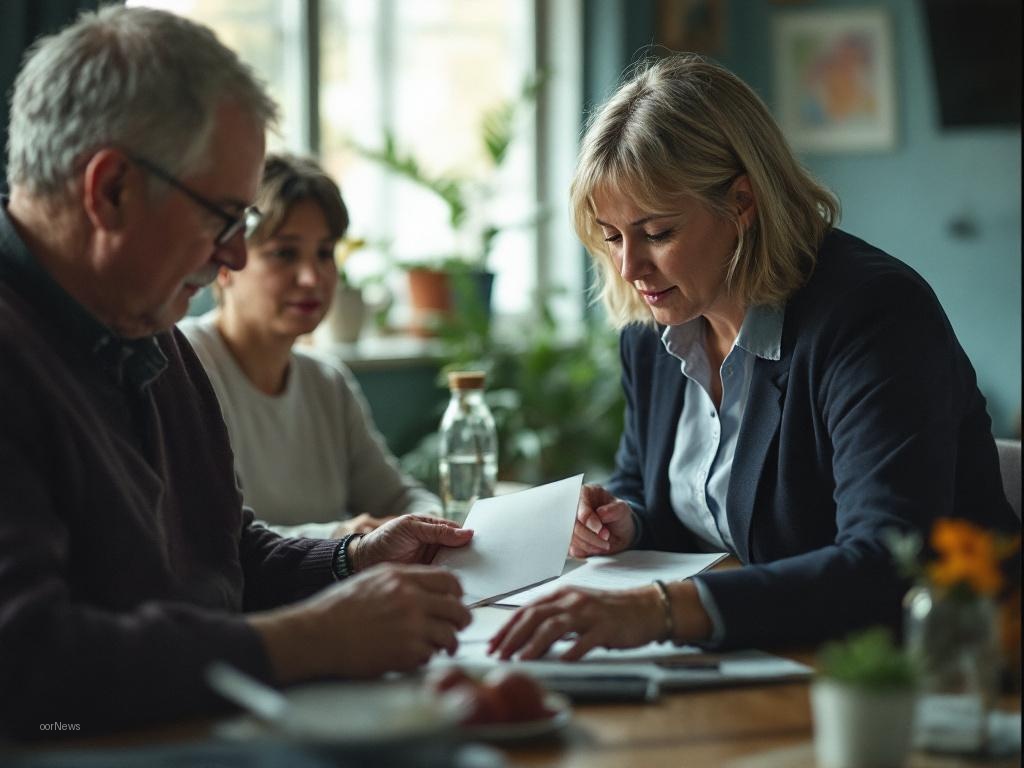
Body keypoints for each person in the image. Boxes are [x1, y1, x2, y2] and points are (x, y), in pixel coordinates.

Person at [0, 7, 472, 738]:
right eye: (223, 217)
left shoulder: (148, 327)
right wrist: (308, 640)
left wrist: (351, 558)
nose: (236, 258)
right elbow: (27, 663)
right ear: (111, 189)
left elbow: (223, 553)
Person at [489, 54, 1018, 662]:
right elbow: (649, 484)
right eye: (611, 237)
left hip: (932, 666)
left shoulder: (873, 316)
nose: (629, 268)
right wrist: (624, 519)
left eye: (656, 233)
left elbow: (885, 563)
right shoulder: (657, 320)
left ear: (742, 203)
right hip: (758, 657)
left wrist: (661, 610)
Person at [180, 154, 440, 539]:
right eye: (285, 253)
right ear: (224, 263)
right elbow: (206, 538)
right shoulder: (184, 363)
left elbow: (401, 497)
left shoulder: (327, 381)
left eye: (325, 253)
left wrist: (429, 524)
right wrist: (341, 537)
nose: (311, 277)